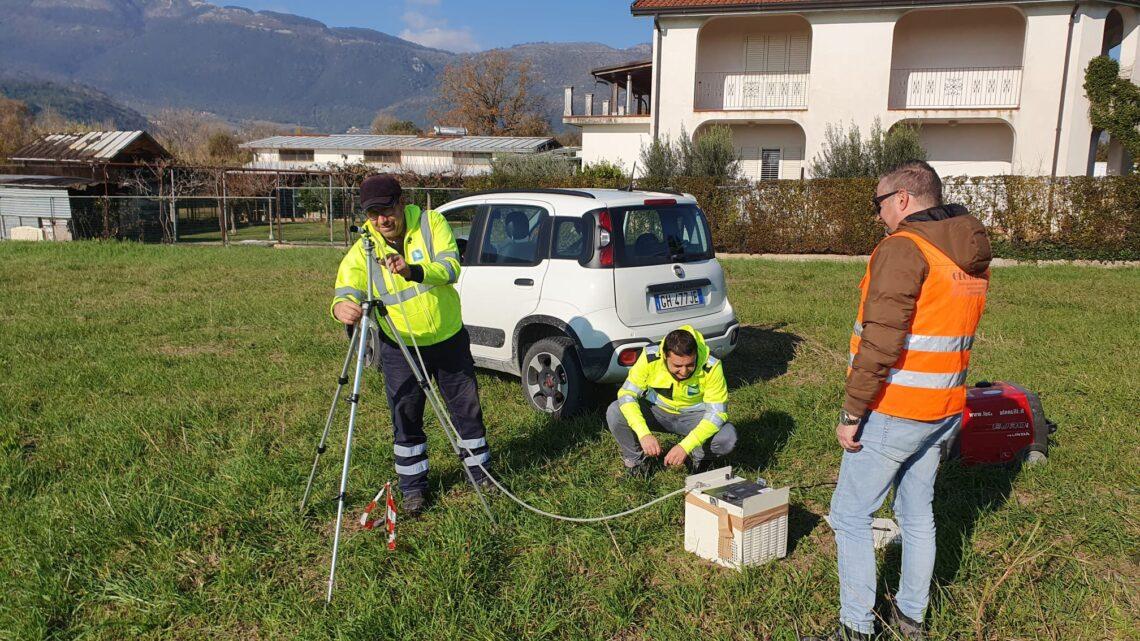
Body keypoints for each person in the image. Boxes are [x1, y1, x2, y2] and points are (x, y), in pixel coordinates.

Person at [803, 161, 991, 641]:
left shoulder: (904, 248)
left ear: (902, 198)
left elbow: (881, 341)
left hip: (896, 408)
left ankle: (856, 628)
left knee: (849, 515)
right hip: (944, 408)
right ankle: (911, 619)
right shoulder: (965, 251)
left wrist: (852, 412)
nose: (878, 214)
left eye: (879, 203)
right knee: (916, 514)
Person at [330, 174, 491, 515]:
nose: (381, 220)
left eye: (386, 210)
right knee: (405, 415)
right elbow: (347, 285)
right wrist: (341, 305)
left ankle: (481, 474)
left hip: (448, 338)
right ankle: (413, 488)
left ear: (401, 203)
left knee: (466, 410)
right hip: (400, 346)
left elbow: (451, 267)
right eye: (373, 214)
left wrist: (413, 270)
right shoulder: (365, 247)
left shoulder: (432, 224)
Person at [605, 325, 736, 476]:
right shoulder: (650, 357)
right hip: (657, 412)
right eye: (677, 366)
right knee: (615, 411)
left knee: (727, 437)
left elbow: (717, 413)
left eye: (690, 364)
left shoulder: (711, 365)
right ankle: (637, 462)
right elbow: (627, 394)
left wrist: (685, 446)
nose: (684, 371)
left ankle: (699, 458)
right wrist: (644, 434)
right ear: (665, 356)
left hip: (694, 417)